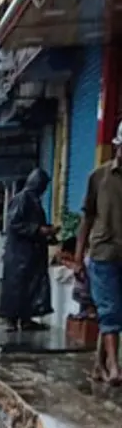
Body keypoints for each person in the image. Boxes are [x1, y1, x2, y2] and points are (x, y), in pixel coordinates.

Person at [76, 122, 122, 382]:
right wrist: (78, 258)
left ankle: (98, 365)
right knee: (110, 310)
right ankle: (114, 366)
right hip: (103, 253)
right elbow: (87, 218)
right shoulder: (98, 177)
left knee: (112, 311)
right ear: (117, 147)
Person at [0, 168, 56, 332]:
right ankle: (11, 319)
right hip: (20, 254)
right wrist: (38, 230)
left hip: (31, 254)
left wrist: (47, 233)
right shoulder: (23, 198)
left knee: (30, 287)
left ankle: (26, 319)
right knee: (17, 287)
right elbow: (14, 223)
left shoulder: (33, 200)